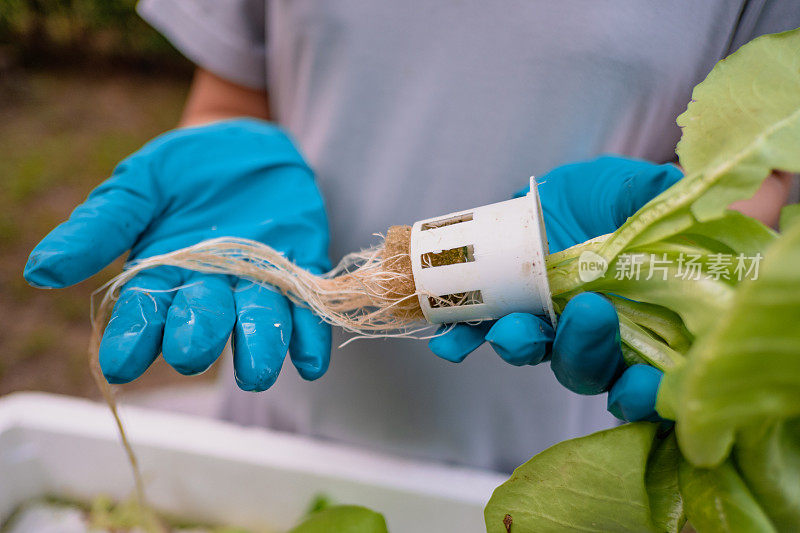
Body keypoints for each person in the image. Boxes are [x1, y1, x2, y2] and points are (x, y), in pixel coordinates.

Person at [24, 1, 798, 473]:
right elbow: (233, 87)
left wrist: (646, 253)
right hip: (283, 409)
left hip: (562, 430)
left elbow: (751, 176)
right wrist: (230, 147)